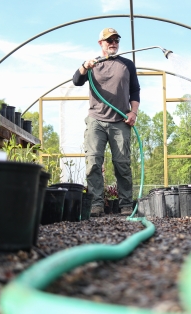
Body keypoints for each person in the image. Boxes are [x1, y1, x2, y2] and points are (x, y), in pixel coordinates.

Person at [73, 27, 140, 217]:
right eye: (109, 40)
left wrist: (133, 112)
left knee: (122, 163)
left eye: (116, 40)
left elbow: (135, 90)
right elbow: (76, 80)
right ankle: (96, 204)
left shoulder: (127, 64)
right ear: (100, 43)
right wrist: (85, 66)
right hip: (96, 120)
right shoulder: (92, 65)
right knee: (93, 162)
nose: (113, 43)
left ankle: (126, 204)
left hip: (120, 121)